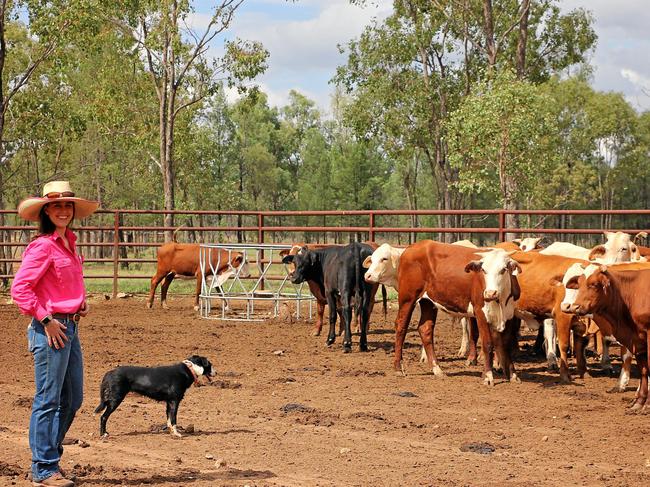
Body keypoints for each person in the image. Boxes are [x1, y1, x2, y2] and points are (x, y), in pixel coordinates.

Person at [11, 181, 99, 487]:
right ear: (46, 211)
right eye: (56, 206)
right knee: (48, 399)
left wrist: (79, 301)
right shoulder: (43, 245)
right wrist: (46, 319)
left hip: (69, 326)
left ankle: (49, 458)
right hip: (51, 330)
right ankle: (44, 467)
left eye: (67, 205)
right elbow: (20, 290)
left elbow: (63, 283)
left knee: (73, 399)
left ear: (72, 210)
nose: (63, 210)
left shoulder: (69, 243)